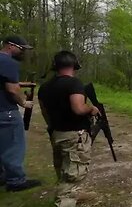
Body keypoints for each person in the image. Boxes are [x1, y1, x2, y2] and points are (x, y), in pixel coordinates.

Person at [38, 50, 99, 207]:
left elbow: (45, 112)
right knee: (73, 173)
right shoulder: (74, 83)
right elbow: (78, 108)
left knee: (64, 169)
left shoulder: (44, 87)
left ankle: (74, 193)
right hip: (74, 134)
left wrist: (53, 127)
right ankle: (66, 200)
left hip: (57, 133)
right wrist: (91, 109)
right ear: (74, 65)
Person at [0, 35, 41, 192]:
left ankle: (2, 176)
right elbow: (11, 89)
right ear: (10, 46)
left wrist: (24, 83)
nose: (23, 51)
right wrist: (23, 103)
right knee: (14, 145)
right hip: (6, 111)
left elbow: (3, 82)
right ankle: (16, 181)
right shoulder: (8, 62)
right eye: (21, 48)